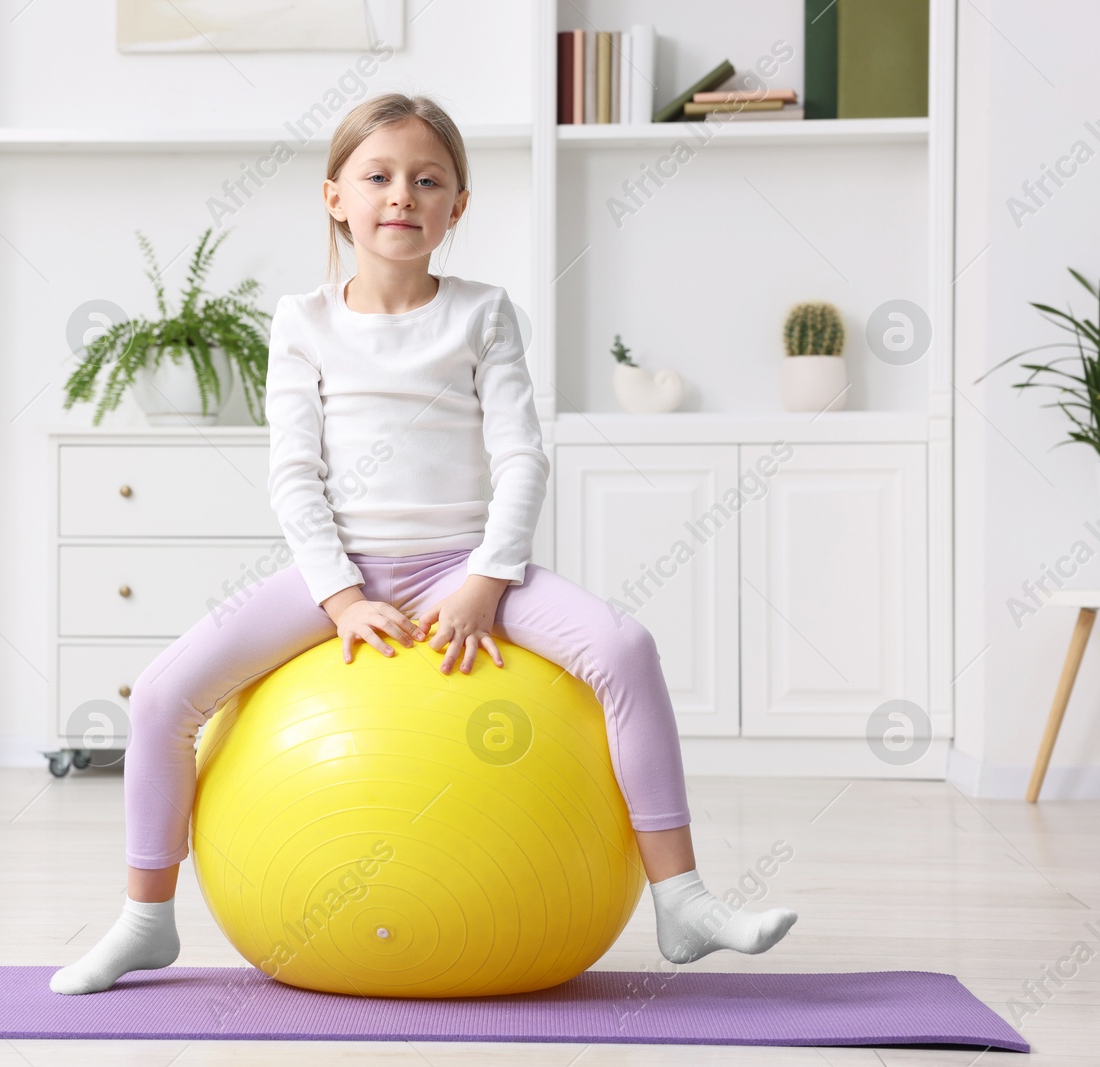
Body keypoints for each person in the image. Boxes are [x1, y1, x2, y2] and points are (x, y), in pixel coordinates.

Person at [50, 92, 797, 996]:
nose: (401, 194)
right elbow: (294, 475)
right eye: (379, 176)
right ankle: (146, 918)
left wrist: (487, 578)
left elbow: (523, 457)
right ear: (335, 196)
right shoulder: (304, 321)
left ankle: (682, 898)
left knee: (626, 649)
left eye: (426, 179)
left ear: (457, 206)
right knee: (164, 695)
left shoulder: (484, 314)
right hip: (343, 575)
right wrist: (339, 597)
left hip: (465, 568)